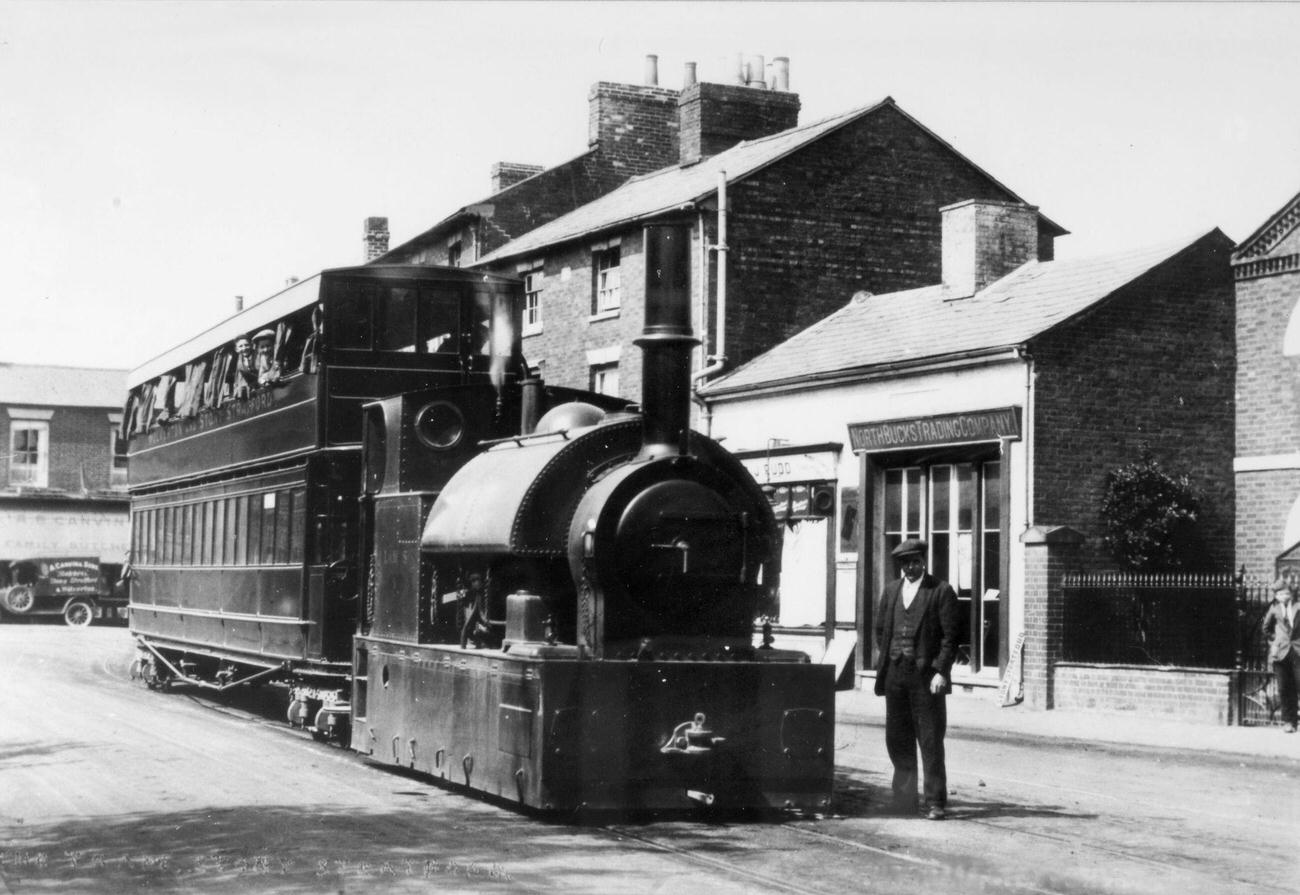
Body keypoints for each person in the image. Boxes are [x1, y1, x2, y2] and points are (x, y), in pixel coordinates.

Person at [873, 538, 960, 819]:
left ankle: (934, 802)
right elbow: (880, 630)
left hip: (926, 679)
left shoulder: (941, 591)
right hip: (895, 675)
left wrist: (940, 672)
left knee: (930, 739)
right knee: (897, 740)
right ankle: (904, 800)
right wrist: (890, 658)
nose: (910, 568)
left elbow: (950, 638)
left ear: (924, 561)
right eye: (904, 563)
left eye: (915, 562)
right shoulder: (891, 591)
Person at [1263, 577, 1300, 733]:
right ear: (1276, 596)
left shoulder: (1298, 607)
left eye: (1285, 593)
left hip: (1297, 651)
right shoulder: (1274, 609)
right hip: (1280, 654)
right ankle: (1289, 722)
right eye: (1280, 594)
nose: (1283, 596)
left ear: (1290, 594)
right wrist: (1275, 643)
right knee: (1284, 688)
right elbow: (1266, 629)